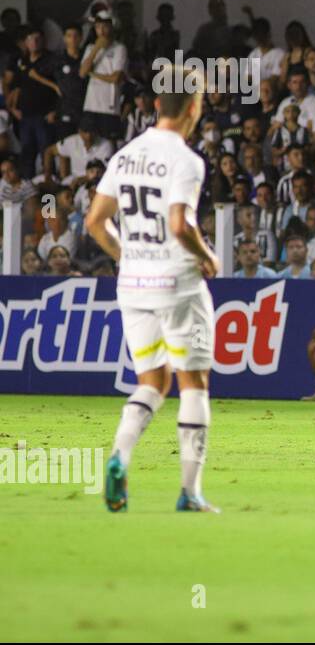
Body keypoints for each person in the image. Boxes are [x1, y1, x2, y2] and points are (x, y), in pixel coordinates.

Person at [85, 71, 222, 514]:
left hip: (133, 286)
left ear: (158, 105)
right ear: (193, 107)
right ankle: (190, 491)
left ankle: (119, 458)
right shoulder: (187, 160)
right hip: (177, 284)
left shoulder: (125, 155)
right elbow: (181, 223)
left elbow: (94, 221)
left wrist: (128, 256)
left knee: (152, 381)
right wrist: (207, 256)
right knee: (193, 382)